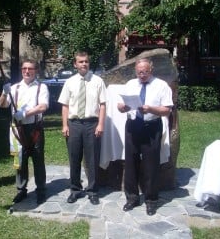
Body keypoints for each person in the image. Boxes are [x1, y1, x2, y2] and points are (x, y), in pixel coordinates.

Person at [117, 57, 173, 215]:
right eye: (139, 72)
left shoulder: (161, 86)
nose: (142, 75)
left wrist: (151, 109)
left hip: (151, 126)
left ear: (151, 70)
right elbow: (120, 107)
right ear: (136, 71)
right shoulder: (130, 84)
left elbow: (167, 110)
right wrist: (122, 107)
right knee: (131, 162)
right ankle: (132, 198)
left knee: (151, 164)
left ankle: (151, 200)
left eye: (145, 72)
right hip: (133, 126)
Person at [58, 51, 106, 205]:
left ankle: (92, 191)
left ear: (89, 63)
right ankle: (75, 189)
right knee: (74, 158)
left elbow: (103, 105)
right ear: (75, 64)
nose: (84, 64)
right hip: (74, 124)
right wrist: (65, 125)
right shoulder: (69, 82)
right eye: (80, 62)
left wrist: (100, 124)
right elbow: (65, 105)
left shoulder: (98, 81)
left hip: (92, 123)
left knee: (92, 159)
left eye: (86, 61)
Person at [0, 59, 49, 205]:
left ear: (36, 71)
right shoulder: (14, 88)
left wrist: (25, 114)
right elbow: (2, 105)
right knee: (21, 160)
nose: (27, 71)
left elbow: (43, 107)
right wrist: (3, 93)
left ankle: (41, 190)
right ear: (22, 70)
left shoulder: (41, 87)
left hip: (35, 129)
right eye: (24, 68)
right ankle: (22, 190)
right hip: (18, 129)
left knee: (38, 160)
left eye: (30, 69)